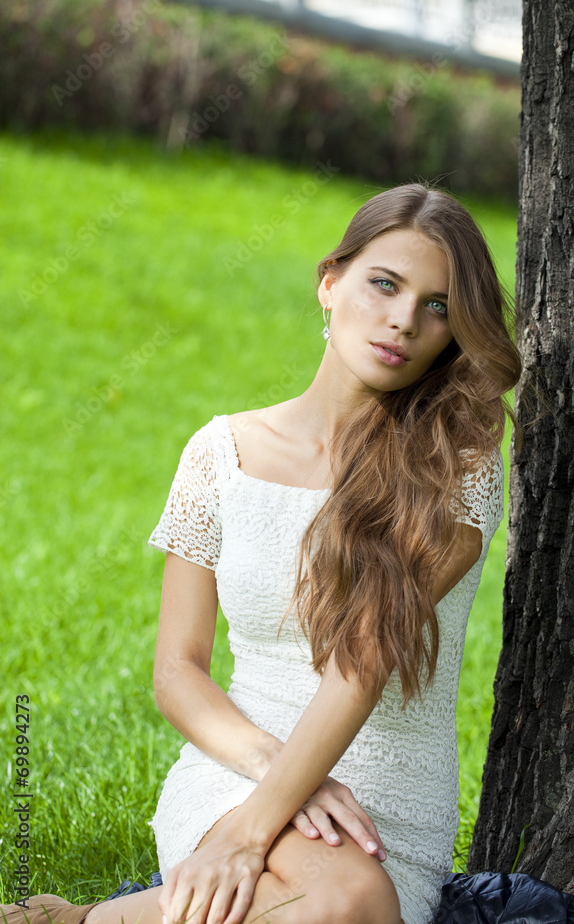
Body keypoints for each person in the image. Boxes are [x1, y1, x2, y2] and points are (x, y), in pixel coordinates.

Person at [6, 182, 521, 924]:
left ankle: (88, 920)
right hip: (236, 771)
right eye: (384, 284)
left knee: (349, 896)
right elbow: (177, 672)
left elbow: (364, 659)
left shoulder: (457, 464)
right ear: (329, 282)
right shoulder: (221, 453)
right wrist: (271, 786)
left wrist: (257, 835)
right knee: (342, 901)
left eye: (436, 306)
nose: (403, 320)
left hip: (389, 805)